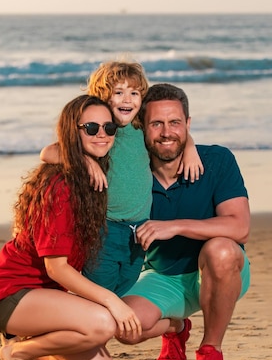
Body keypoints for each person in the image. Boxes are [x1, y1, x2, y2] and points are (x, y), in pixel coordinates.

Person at [0, 94, 142, 360]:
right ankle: (19, 352)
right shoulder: (60, 185)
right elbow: (56, 269)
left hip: (47, 297)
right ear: (73, 131)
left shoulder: (91, 175)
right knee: (103, 322)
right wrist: (112, 301)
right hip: (15, 294)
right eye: (91, 128)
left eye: (109, 128)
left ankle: (21, 347)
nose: (102, 134)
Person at [117, 83, 251, 360]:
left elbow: (240, 227)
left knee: (222, 249)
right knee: (125, 328)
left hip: (221, 273)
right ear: (142, 127)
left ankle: (211, 349)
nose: (167, 132)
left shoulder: (216, 161)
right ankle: (176, 328)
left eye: (175, 122)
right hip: (162, 278)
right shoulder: (130, 175)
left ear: (187, 125)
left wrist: (176, 226)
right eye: (157, 123)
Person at [40, 61, 203, 297]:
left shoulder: (141, 128)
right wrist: (85, 161)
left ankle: (173, 327)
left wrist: (190, 147)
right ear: (103, 96)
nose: (127, 100)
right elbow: (48, 152)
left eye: (134, 93)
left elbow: (171, 132)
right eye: (119, 92)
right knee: (99, 293)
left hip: (140, 232)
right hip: (104, 230)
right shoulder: (101, 131)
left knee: (125, 287)